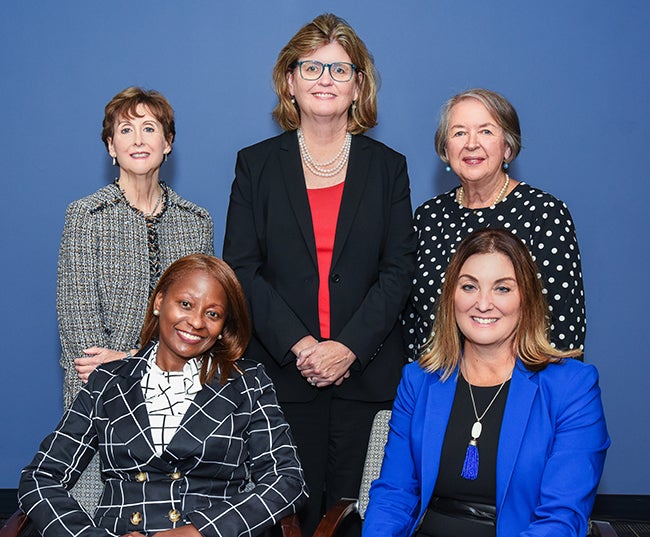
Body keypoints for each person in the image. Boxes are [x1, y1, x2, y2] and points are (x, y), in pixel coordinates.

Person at [222, 13, 416, 535]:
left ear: (359, 84)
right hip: (283, 376)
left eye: (339, 68)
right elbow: (242, 267)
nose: (324, 79)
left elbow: (398, 271)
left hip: (366, 374)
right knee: (285, 516)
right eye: (311, 67)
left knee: (358, 517)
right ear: (290, 81)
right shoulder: (256, 165)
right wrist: (303, 345)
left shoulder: (388, 167)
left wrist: (347, 346)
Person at [20, 254, 308, 537]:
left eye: (213, 314)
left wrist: (201, 530)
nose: (196, 322)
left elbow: (286, 481)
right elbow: (40, 478)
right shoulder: (107, 382)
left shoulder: (247, 382)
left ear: (223, 328)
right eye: (185, 304)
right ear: (159, 302)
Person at [363, 229, 609, 537]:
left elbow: (561, 517)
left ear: (526, 298)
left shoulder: (572, 387)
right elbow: (393, 496)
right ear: (451, 295)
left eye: (502, 289)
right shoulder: (419, 380)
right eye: (469, 286)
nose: (482, 304)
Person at [57, 87, 214, 509]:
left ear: (168, 143)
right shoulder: (86, 217)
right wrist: (136, 364)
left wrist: (128, 357)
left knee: (174, 518)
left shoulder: (197, 222)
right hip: (99, 400)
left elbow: (203, 321)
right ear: (111, 146)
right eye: (126, 129)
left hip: (180, 398)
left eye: (150, 128)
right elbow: (81, 335)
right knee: (99, 516)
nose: (139, 139)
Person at [403, 88, 585, 360]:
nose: (471, 143)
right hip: (438, 384)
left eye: (486, 131)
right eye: (459, 132)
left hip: (522, 387)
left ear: (508, 148)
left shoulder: (542, 213)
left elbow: (564, 325)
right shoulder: (429, 217)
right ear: (445, 148)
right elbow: (413, 321)